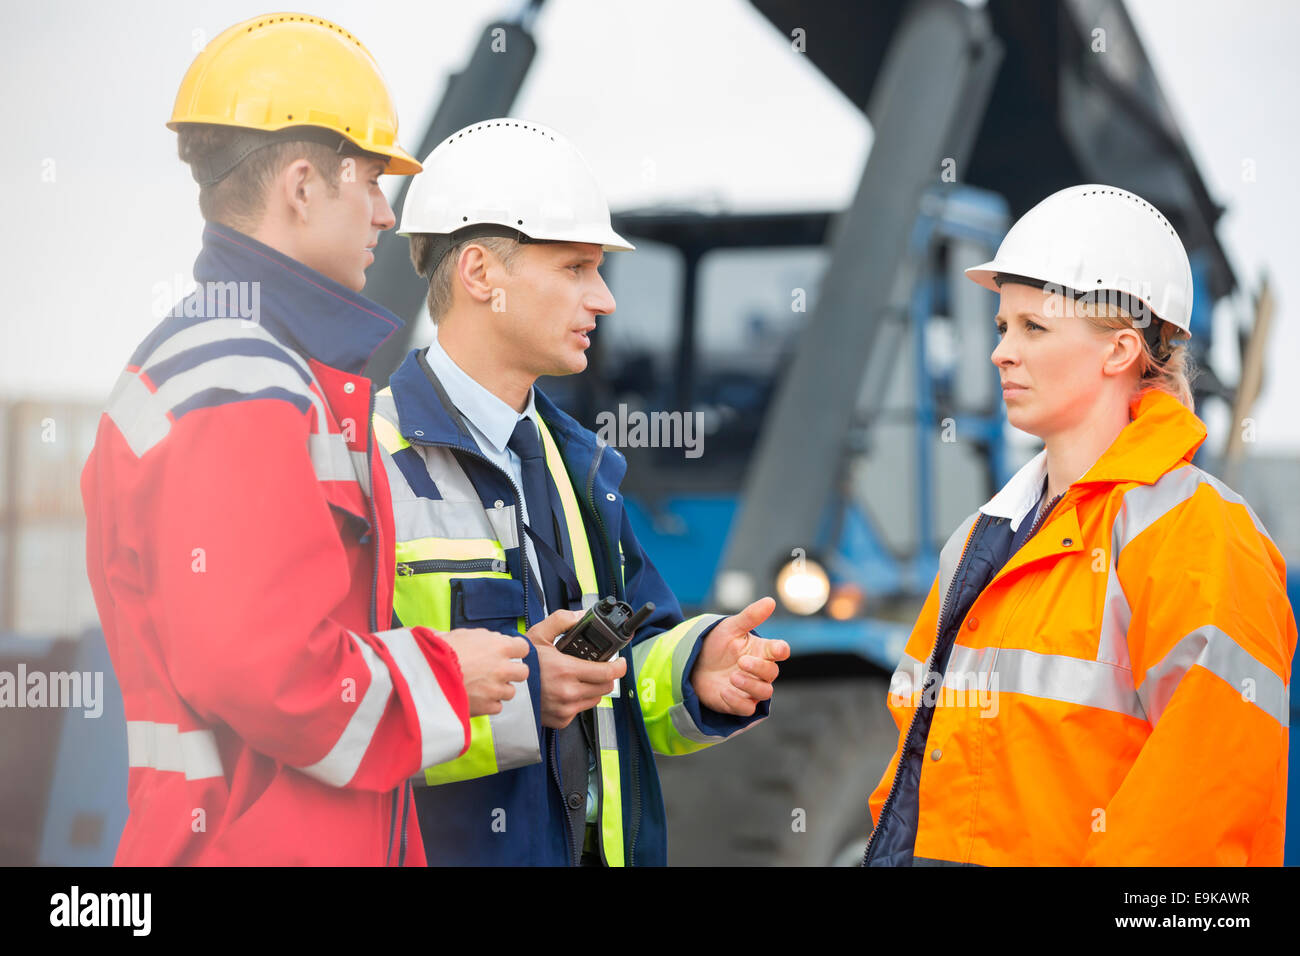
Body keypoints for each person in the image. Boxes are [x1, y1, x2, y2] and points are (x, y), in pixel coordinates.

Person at [81, 14, 528, 866]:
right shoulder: (239, 376)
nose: (387, 214)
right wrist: (446, 674)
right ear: (299, 186)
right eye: (368, 183)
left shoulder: (245, 363)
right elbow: (269, 671)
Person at [372, 118, 792, 866]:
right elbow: (338, 716)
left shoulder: (582, 466)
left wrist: (698, 670)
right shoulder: (364, 459)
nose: (603, 299)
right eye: (575, 268)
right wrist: (524, 693)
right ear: (479, 274)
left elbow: (632, 669)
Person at [863, 184, 1295, 866]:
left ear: (1120, 351)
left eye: (1034, 327)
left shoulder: (1199, 536)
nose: (1002, 351)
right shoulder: (980, 540)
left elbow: (1201, 813)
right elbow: (918, 771)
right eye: (1003, 326)